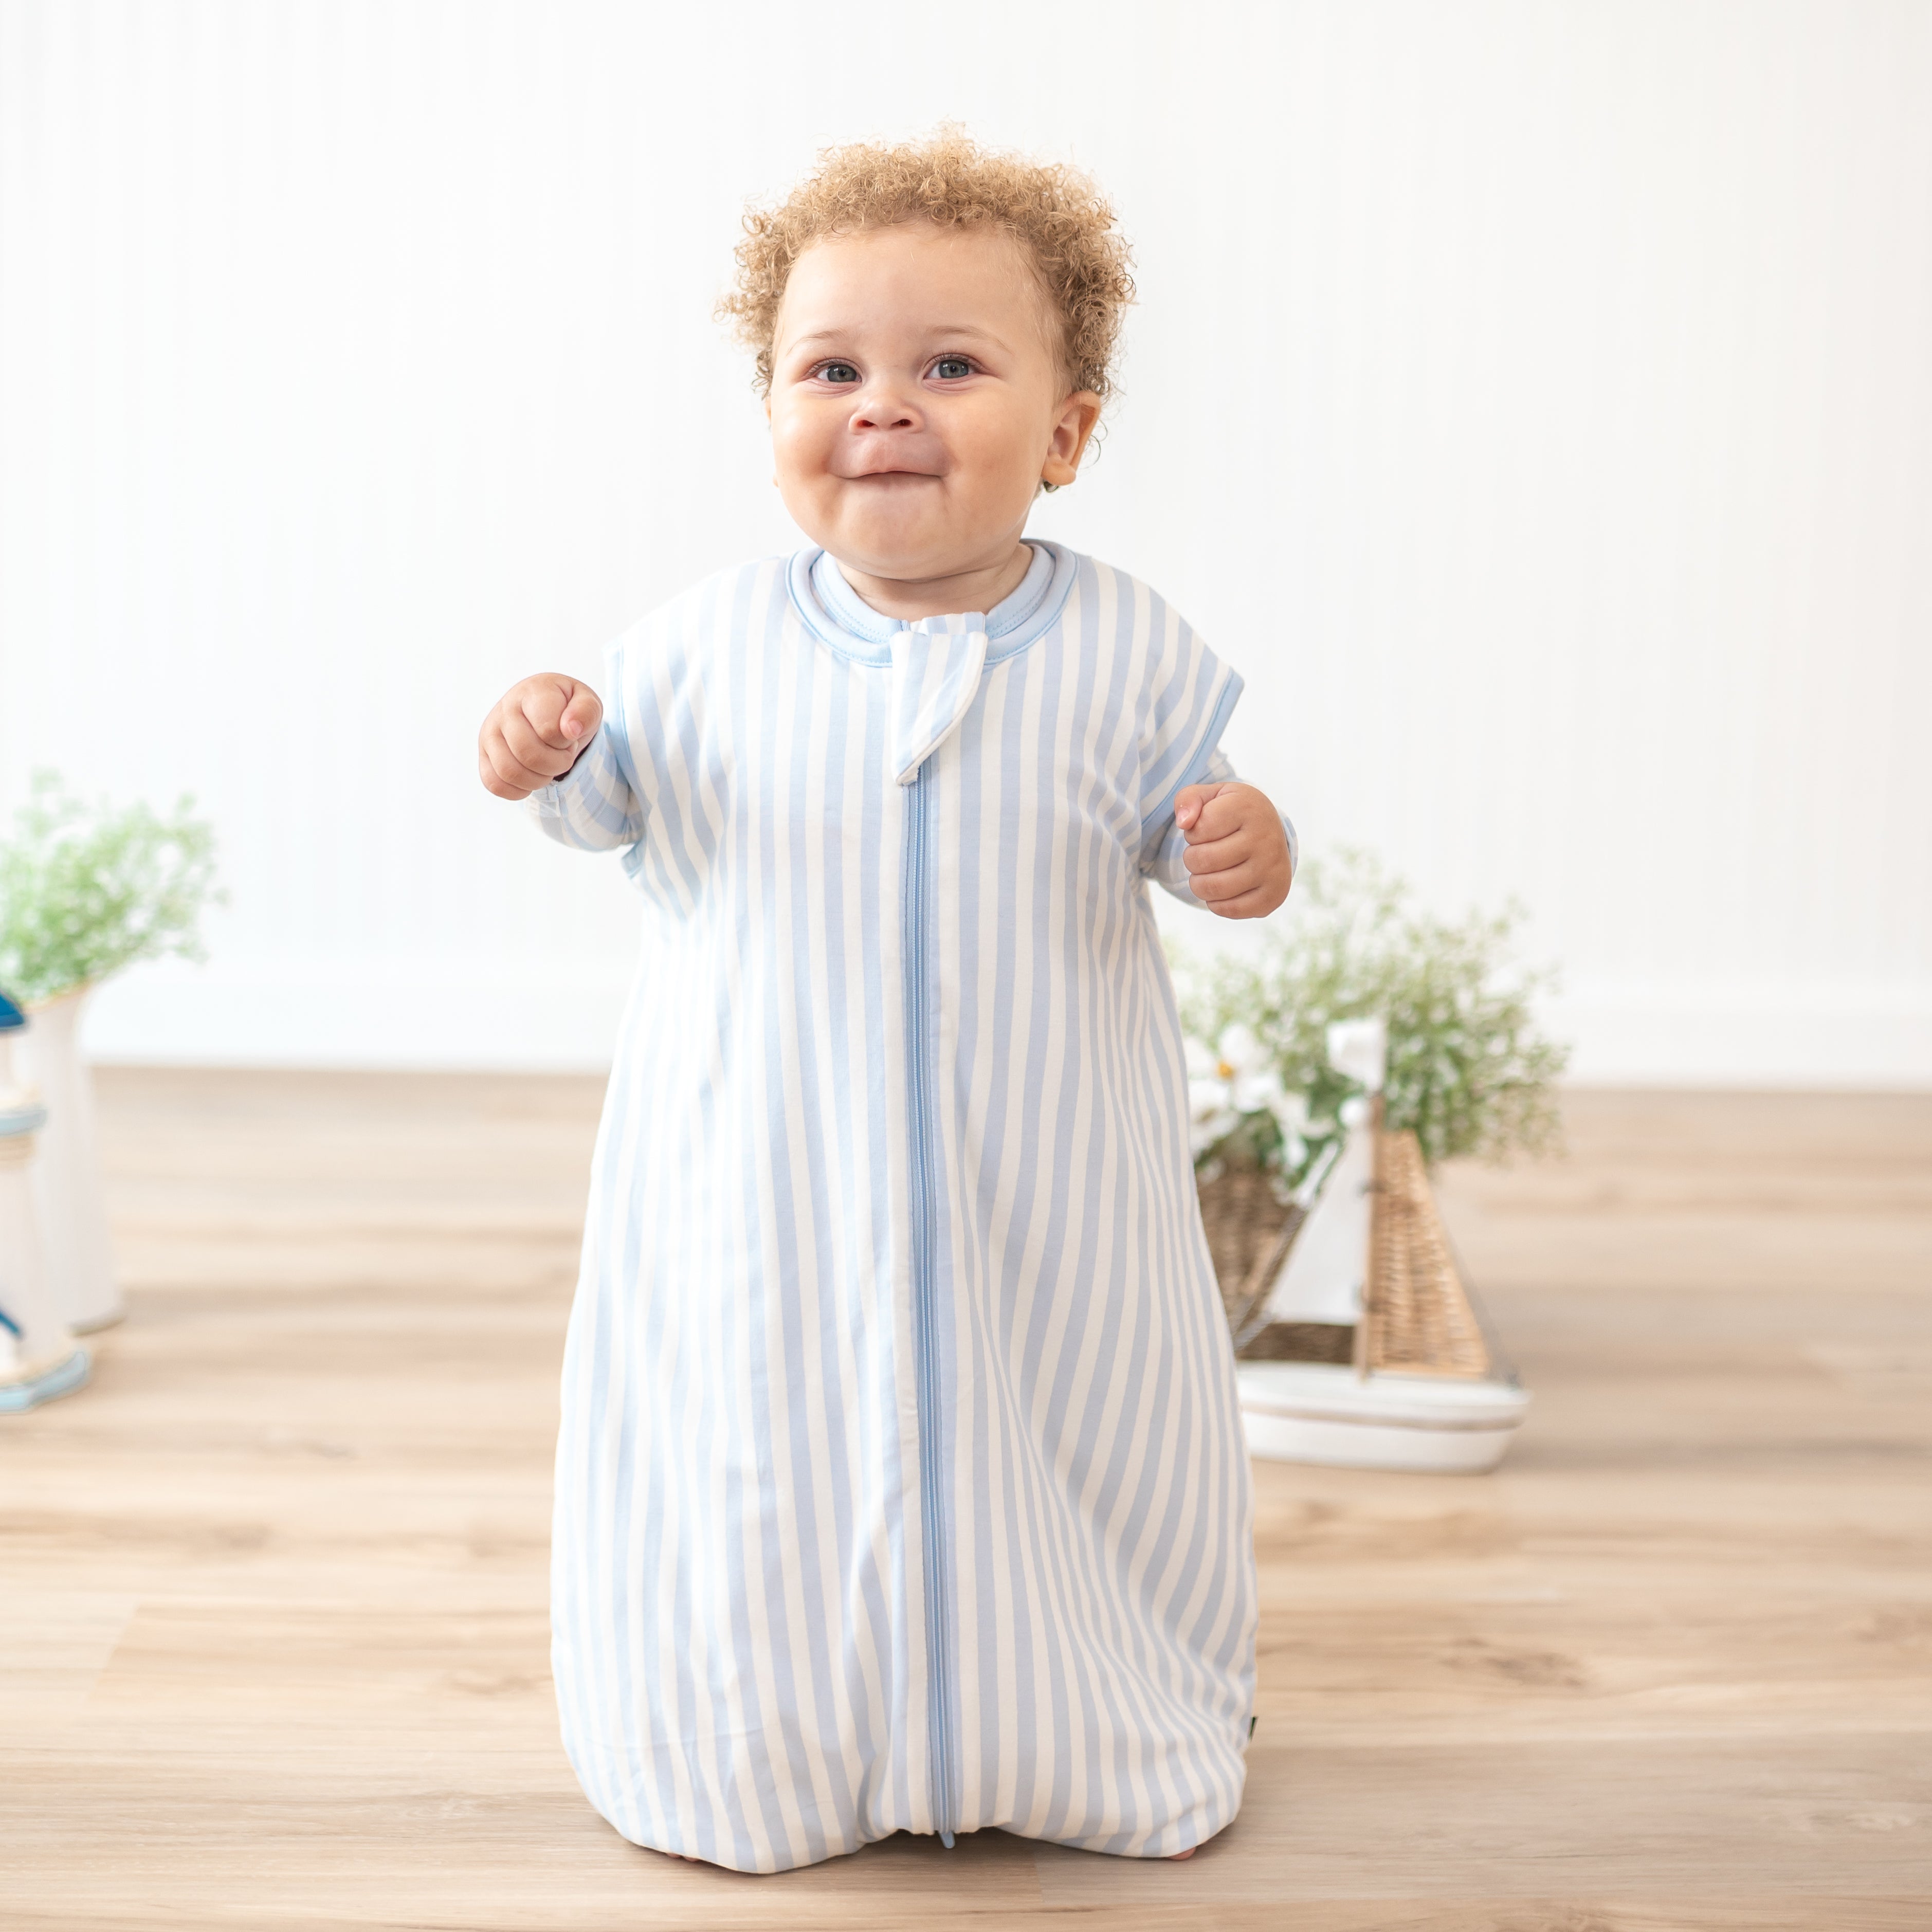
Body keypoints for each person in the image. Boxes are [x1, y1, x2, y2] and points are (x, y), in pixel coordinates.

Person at [477, 131, 1296, 1873]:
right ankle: (757, 1742)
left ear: (1066, 433)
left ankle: (1081, 1722)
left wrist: (1241, 843)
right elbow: (604, 798)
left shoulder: (1128, 651)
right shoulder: (696, 650)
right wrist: (549, 746)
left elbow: (1195, 822)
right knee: (764, 1462)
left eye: (951, 366)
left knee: (1071, 1446)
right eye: (831, 368)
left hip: (1045, 1203)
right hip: (761, 1198)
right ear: (770, 410)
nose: (885, 406)